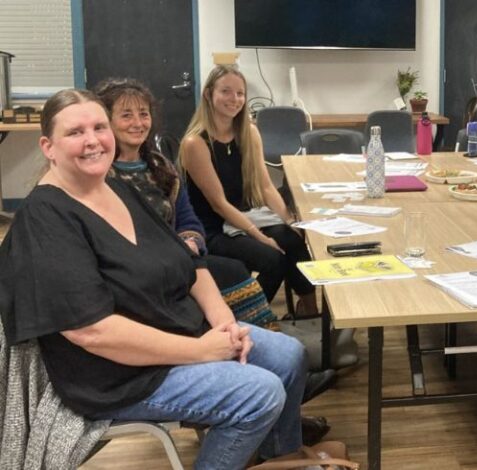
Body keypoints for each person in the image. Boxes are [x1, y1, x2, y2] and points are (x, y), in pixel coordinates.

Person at [0, 89, 320, 469]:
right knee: (259, 393)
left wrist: (224, 323)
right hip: (120, 375)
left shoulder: (119, 189)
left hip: (181, 333)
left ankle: (278, 457)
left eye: (99, 127)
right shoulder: (46, 218)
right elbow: (91, 332)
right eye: (75, 132)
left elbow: (191, 265)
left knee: (288, 354)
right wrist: (201, 352)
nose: (92, 141)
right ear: (48, 146)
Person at [94, 78, 278, 329]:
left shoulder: (162, 168)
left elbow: (189, 219)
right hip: (136, 271)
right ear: (107, 122)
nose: (138, 123)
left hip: (179, 258)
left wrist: (192, 240)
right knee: (233, 271)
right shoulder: (100, 175)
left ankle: (248, 334)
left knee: (235, 270)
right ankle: (239, 335)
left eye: (143, 114)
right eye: (126, 116)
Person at [179, 65, 318, 317]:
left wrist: (289, 220)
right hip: (212, 228)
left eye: (240, 93)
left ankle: (309, 310)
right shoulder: (195, 143)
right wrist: (259, 237)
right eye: (226, 92)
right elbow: (219, 203)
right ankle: (249, 317)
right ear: (209, 95)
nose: (235, 99)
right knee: (272, 259)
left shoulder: (248, 132)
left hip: (243, 218)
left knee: (292, 239)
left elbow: (265, 187)